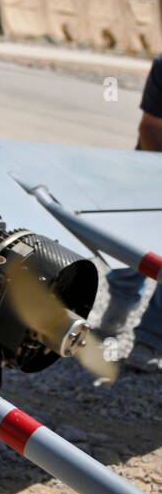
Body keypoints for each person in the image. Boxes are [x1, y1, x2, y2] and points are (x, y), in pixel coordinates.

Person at [97, 52, 162, 373]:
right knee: (133, 239)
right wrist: (156, 173)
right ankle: (117, 310)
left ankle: (151, 338)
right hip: (154, 157)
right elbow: (151, 127)